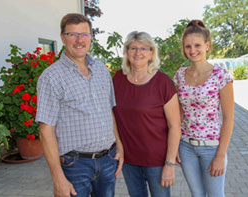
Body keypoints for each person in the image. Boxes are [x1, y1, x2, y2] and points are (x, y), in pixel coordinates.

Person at [35, 13, 124, 197]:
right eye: (72, 34)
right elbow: (46, 131)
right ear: (62, 37)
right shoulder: (51, 77)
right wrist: (58, 177)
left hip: (108, 160)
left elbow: (109, 112)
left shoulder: (101, 70)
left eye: (84, 34)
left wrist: (119, 146)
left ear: (91, 37)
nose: (79, 40)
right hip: (74, 165)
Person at [112, 31, 181, 197]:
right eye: (133, 48)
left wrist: (169, 164)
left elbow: (175, 125)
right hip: (129, 159)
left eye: (144, 48)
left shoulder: (163, 82)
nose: (138, 53)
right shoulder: (117, 79)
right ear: (127, 52)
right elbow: (112, 115)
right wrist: (119, 145)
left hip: (157, 161)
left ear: (151, 53)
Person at [174, 20, 234, 197]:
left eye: (197, 45)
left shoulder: (220, 75)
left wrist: (221, 155)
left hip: (212, 148)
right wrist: (175, 146)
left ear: (207, 46)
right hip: (186, 147)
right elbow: (178, 114)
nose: (193, 50)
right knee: (197, 195)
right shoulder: (180, 75)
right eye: (188, 46)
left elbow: (229, 118)